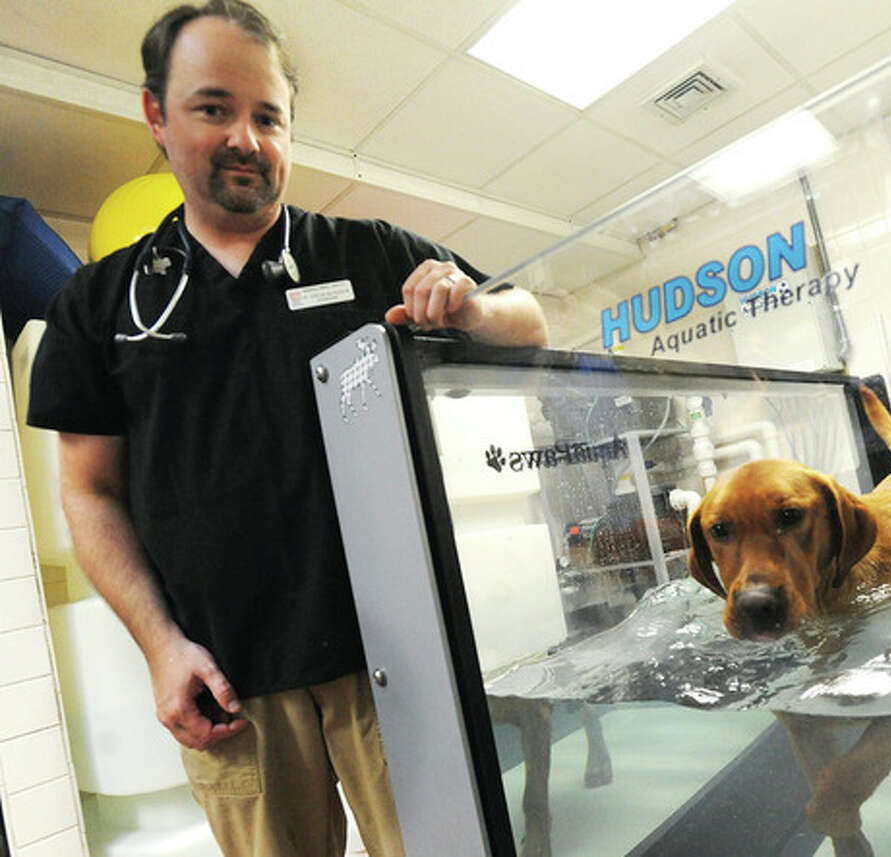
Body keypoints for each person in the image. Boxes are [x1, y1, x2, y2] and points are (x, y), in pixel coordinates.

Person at [26, 2, 548, 855]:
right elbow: (88, 491)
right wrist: (161, 648)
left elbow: (531, 319)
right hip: (232, 691)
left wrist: (469, 306)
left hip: (396, 668)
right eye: (213, 108)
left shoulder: (364, 250)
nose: (246, 137)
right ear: (157, 116)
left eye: (268, 116)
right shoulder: (99, 303)